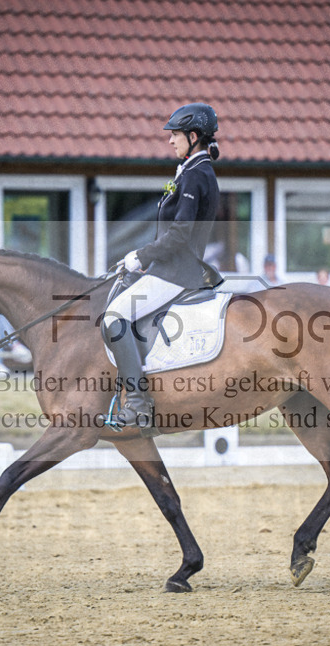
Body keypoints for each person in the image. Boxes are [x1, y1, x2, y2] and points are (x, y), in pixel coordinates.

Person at [102, 102, 222, 428]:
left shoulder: (197, 175)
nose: (170, 140)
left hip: (176, 271)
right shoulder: (191, 170)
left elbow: (181, 234)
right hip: (167, 268)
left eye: (175, 134)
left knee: (114, 317)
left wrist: (141, 256)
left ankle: (137, 404)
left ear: (193, 136)